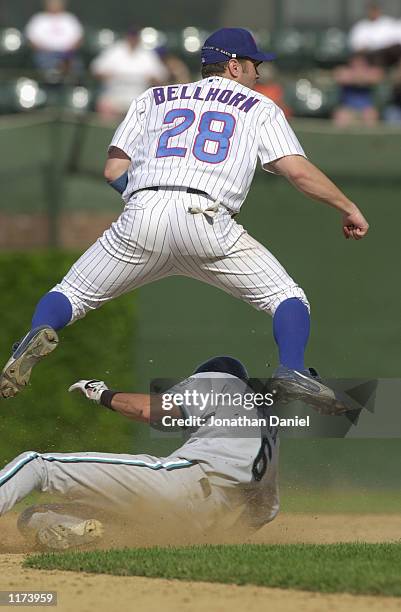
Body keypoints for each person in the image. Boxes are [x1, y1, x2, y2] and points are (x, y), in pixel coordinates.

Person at [0, 28, 369, 414]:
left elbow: (113, 170)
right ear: (233, 66)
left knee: (71, 295)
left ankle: (36, 333)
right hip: (207, 218)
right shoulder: (258, 106)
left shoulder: (153, 97)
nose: (258, 74)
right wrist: (347, 206)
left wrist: (147, 201)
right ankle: (292, 369)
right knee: (287, 298)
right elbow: (297, 171)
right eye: (254, 65)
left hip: (143, 210)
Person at [0, 357, 280, 550]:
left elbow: (149, 409)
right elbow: (264, 511)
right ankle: (98, 535)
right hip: (192, 523)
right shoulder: (266, 431)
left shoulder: (220, 382)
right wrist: (219, 540)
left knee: (37, 465)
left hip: (184, 483)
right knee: (34, 518)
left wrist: (103, 394)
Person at [91, 26, 168, 119]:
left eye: (134, 36)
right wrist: (106, 75)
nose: (132, 39)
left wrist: (152, 79)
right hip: (114, 95)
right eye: (131, 36)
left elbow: (162, 77)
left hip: (139, 98)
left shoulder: (147, 54)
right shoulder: (114, 51)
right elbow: (96, 70)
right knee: (105, 105)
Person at [25, 0, 83, 81]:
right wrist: (45, 50)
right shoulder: (38, 19)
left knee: (76, 65)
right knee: (47, 64)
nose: (54, 6)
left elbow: (79, 39)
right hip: (45, 54)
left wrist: (68, 51)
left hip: (67, 54)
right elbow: (31, 40)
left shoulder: (70, 18)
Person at [333, 52, 384, 126]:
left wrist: (355, 79)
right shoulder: (343, 71)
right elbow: (340, 77)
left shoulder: (373, 71)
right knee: (341, 115)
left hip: (366, 108)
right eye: (356, 63)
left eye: (361, 63)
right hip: (347, 108)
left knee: (371, 115)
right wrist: (362, 79)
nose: (358, 66)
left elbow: (377, 77)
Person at [348, 3, 401, 67]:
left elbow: (397, 39)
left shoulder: (388, 22)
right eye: (371, 11)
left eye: (375, 10)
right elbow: (357, 46)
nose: (373, 13)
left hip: (389, 53)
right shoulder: (361, 26)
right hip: (371, 54)